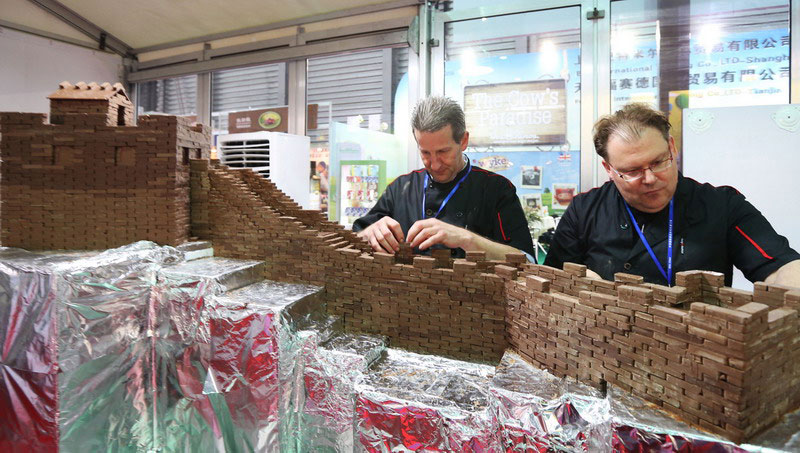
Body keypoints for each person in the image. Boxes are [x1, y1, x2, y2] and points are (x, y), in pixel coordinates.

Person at [544, 103, 800, 287]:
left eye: (658, 162)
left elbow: (780, 267)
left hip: (698, 345)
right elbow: (552, 277)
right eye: (632, 171)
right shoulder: (585, 210)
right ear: (609, 169)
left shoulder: (721, 205)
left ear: (672, 148)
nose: (650, 178)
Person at [353, 96, 535, 261]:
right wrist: (370, 233)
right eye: (425, 153)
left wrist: (467, 239)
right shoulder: (401, 187)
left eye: (443, 152)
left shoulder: (496, 189)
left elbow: (527, 260)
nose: (435, 164)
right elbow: (354, 241)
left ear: (463, 141)